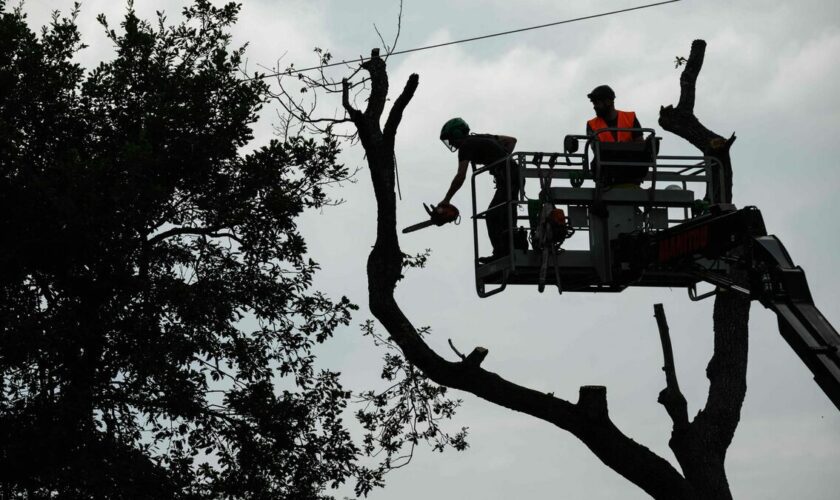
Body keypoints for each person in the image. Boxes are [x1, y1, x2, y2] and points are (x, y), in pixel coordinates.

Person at [437, 117, 518, 263]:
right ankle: (509, 249)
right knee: (505, 214)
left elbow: (460, 176)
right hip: (512, 176)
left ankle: (502, 253)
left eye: (450, 139)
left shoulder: (466, 146)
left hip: (508, 178)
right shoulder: (481, 138)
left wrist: (447, 199)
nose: (451, 143)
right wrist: (501, 160)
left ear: (456, 134)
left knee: (493, 215)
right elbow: (512, 141)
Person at [585, 85, 647, 187]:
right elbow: (596, 149)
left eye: (597, 103)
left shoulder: (630, 117)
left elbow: (640, 143)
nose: (594, 106)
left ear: (608, 102)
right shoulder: (592, 124)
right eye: (594, 103)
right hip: (607, 172)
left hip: (630, 170)